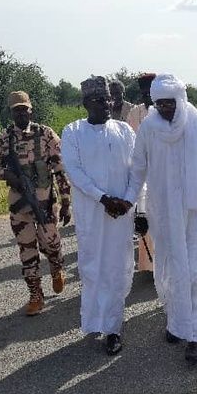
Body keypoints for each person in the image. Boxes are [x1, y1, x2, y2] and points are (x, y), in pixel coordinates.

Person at [124, 73, 197, 365]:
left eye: (170, 102)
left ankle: (194, 335)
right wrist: (132, 204)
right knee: (170, 269)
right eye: (160, 104)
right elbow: (138, 170)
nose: (166, 108)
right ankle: (176, 323)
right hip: (164, 211)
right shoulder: (149, 127)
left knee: (196, 271)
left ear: (180, 99)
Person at [61, 76, 136, 355]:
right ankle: (94, 321)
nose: (106, 104)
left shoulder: (124, 130)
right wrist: (103, 198)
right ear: (85, 103)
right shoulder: (73, 131)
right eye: (98, 100)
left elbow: (137, 169)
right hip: (91, 213)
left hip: (121, 214)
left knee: (117, 269)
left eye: (108, 99)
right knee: (92, 268)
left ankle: (113, 328)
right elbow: (74, 171)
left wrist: (129, 202)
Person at [0, 90, 72, 316]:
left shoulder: (45, 134)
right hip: (19, 204)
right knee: (27, 251)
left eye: (24, 110)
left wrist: (66, 201)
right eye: (16, 111)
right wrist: (9, 176)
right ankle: (36, 295)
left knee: (52, 245)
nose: (21, 114)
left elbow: (60, 168)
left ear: (30, 111)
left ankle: (56, 267)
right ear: (11, 113)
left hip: (45, 204)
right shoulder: (5, 138)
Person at [126, 72, 156, 273]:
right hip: (143, 173)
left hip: (163, 173)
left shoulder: (166, 110)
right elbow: (130, 144)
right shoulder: (134, 113)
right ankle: (148, 266)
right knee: (145, 217)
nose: (147, 97)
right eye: (144, 93)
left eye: (150, 93)